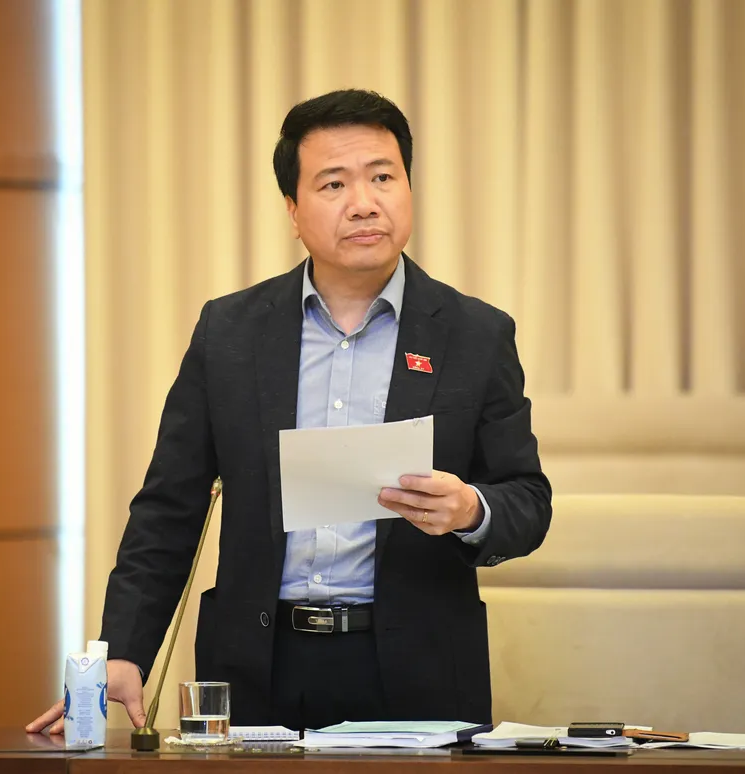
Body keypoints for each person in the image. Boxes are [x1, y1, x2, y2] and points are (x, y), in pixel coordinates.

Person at [28, 88, 551, 735]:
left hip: (419, 669)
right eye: (333, 184)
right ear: (293, 209)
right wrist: (126, 650)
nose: (364, 202)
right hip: (258, 667)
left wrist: (471, 509)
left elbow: (528, 500)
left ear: (409, 188)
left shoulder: (475, 334)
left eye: (383, 177)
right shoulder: (229, 332)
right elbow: (169, 506)